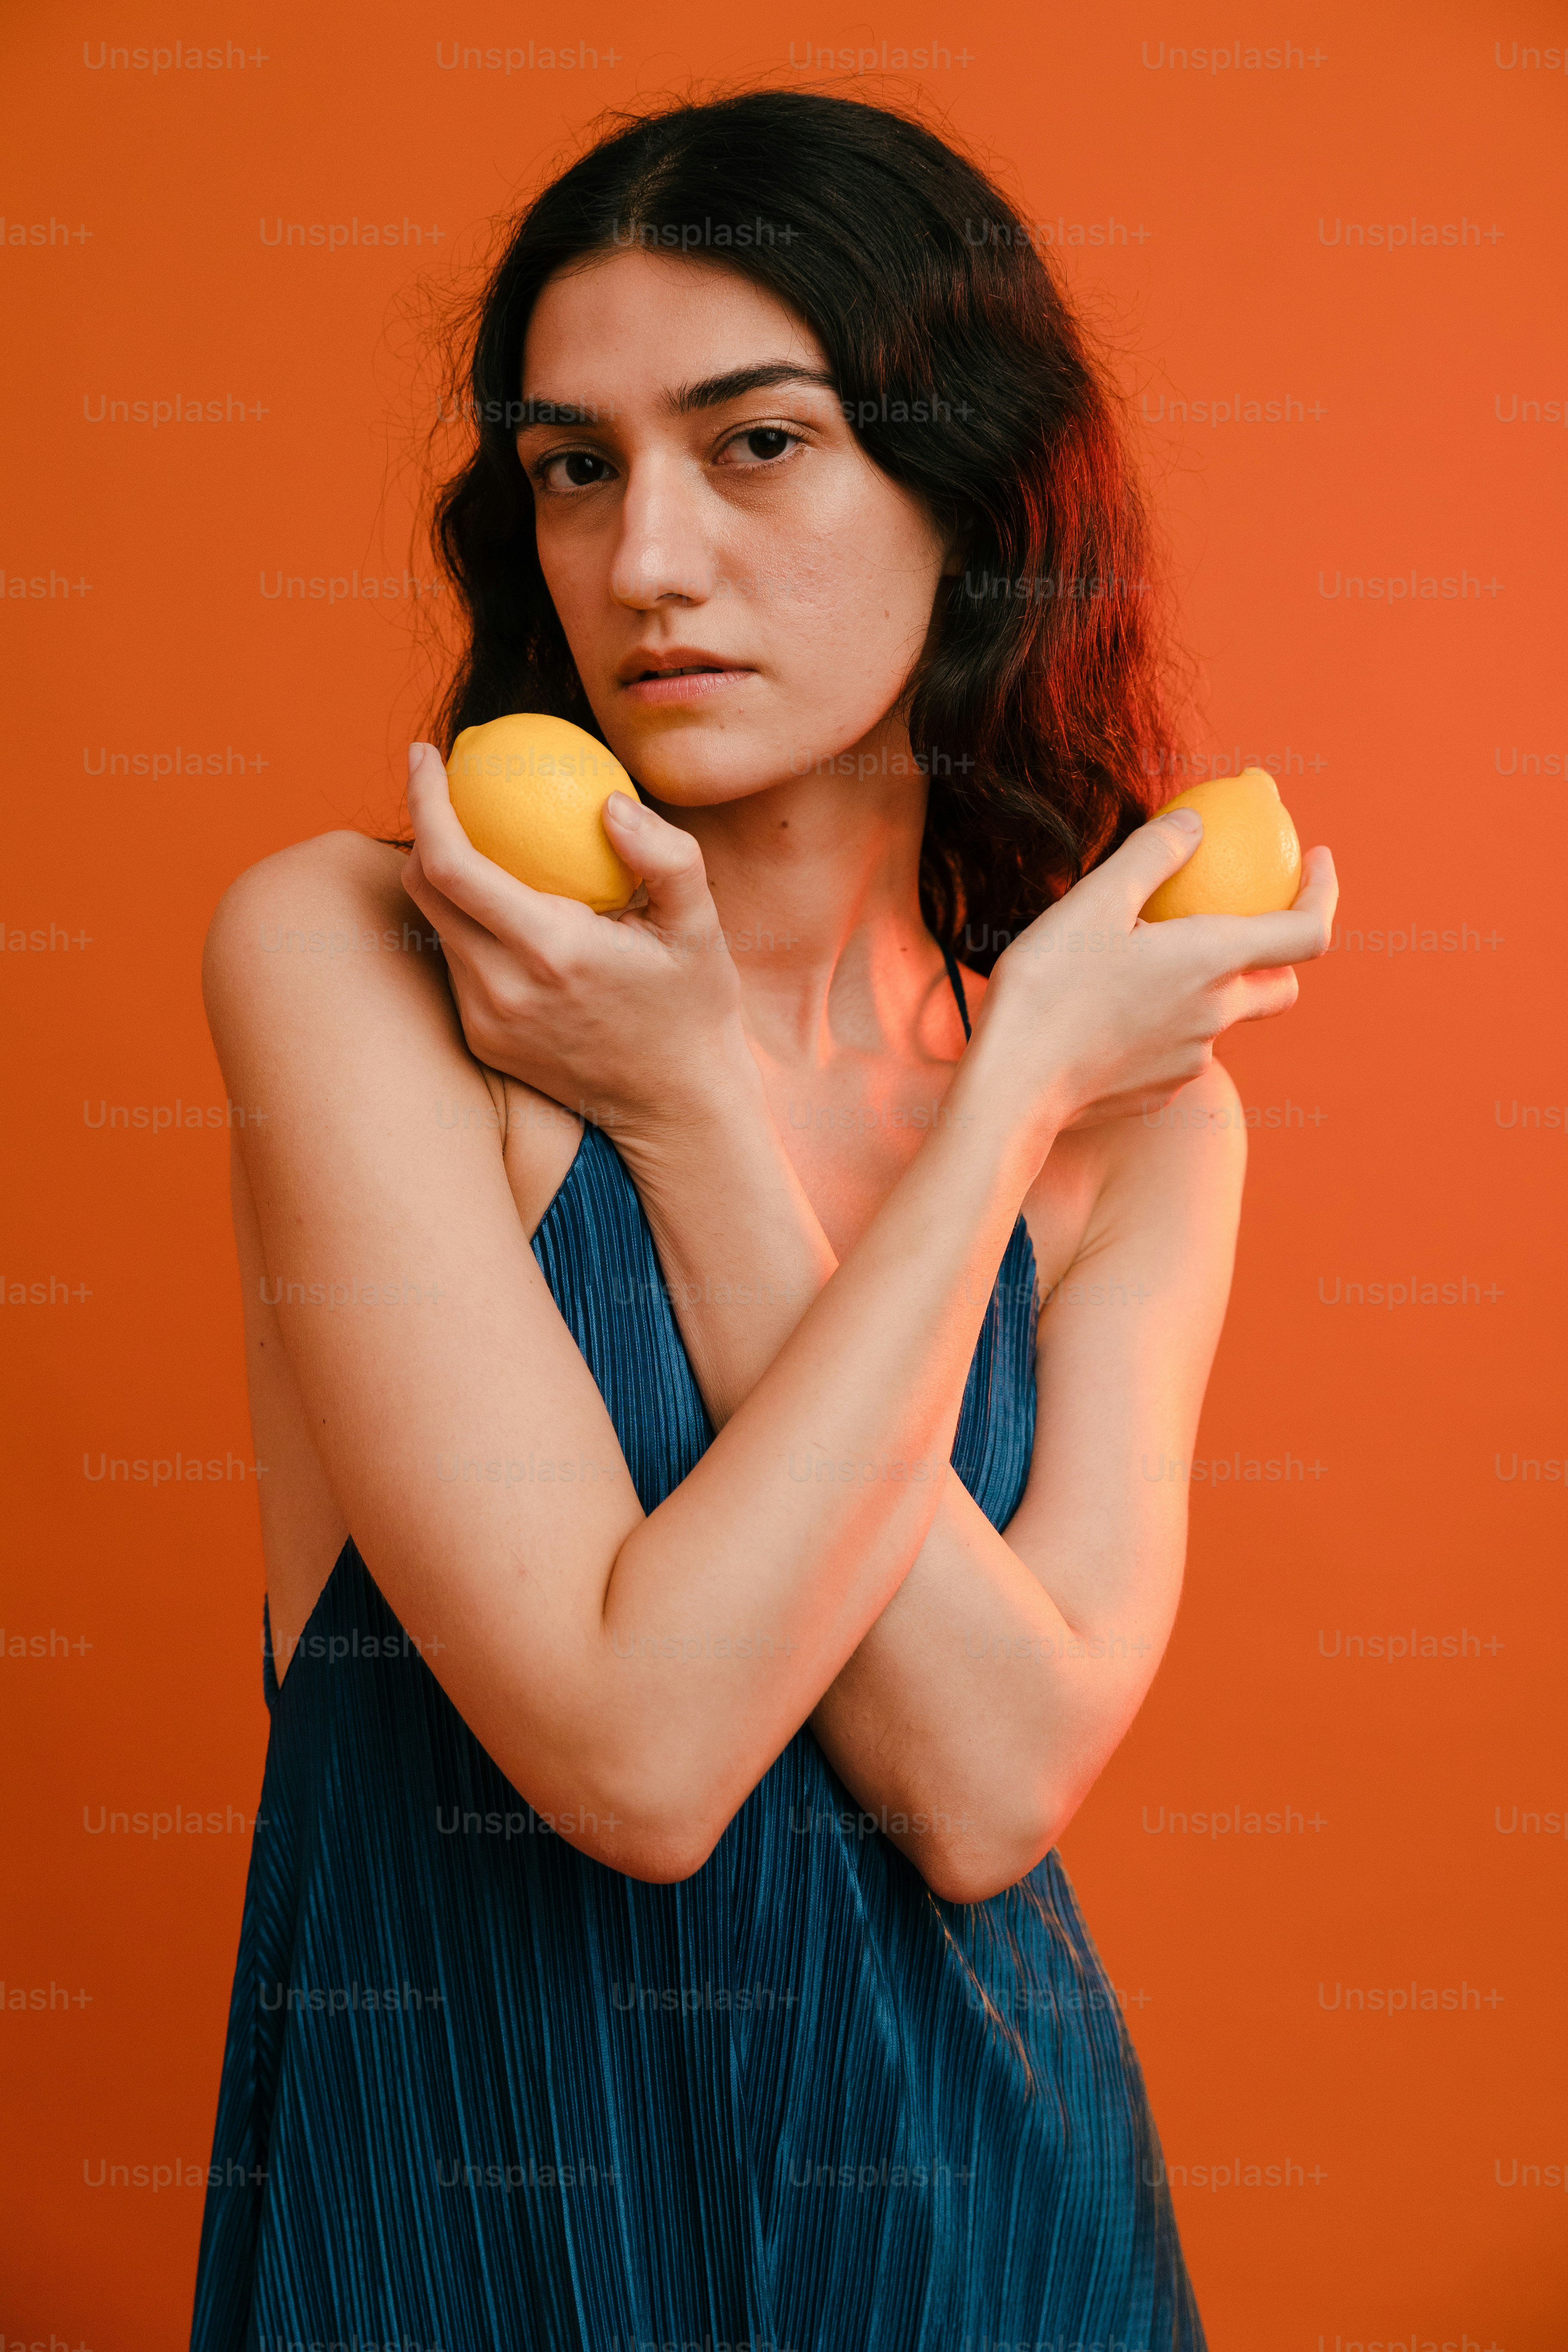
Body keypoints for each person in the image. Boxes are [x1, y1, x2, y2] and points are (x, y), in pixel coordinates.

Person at [191, 87, 1335, 2352]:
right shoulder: (350, 960)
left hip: (991, 2249)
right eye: (575, 466)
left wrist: (987, 1084)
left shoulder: (1131, 1121)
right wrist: (785, 1096)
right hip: (459, 2244)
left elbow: (987, 1791)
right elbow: (635, 1753)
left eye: (761, 445)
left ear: (972, 494)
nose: (647, 560)